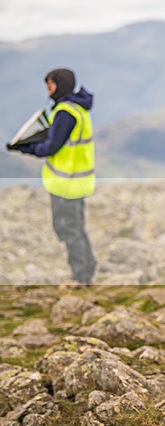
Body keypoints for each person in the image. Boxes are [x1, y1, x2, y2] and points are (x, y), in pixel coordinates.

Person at [7, 68, 96, 285]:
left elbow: (51, 147)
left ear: (60, 84)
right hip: (78, 181)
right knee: (75, 227)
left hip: (66, 183)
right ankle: (86, 269)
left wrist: (24, 148)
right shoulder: (78, 108)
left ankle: (81, 277)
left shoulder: (65, 112)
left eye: (51, 84)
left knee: (68, 229)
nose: (48, 89)